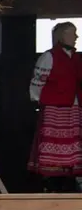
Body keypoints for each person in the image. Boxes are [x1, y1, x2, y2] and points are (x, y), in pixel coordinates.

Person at [28, 21, 82, 191]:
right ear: (62, 35)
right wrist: (40, 100)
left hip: (73, 108)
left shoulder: (76, 57)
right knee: (54, 143)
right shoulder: (49, 56)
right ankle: (52, 181)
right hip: (55, 107)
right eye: (72, 33)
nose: (76, 37)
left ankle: (68, 179)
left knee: (72, 143)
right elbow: (38, 81)